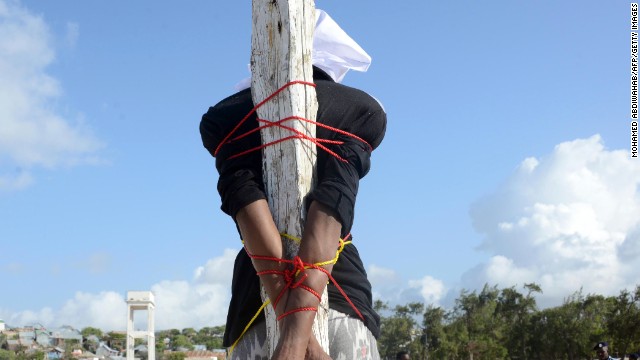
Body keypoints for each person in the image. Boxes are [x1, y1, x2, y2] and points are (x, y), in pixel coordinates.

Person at [200, 9, 386, 360]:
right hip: (342, 297)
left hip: (254, 307)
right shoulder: (357, 112)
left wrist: (292, 330)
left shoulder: (227, 120)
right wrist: (298, 336)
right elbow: (334, 203)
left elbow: (244, 199)